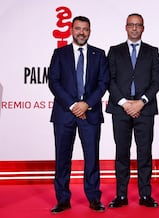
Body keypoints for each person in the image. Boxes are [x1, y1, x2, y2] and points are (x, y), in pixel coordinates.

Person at [48, 16, 109, 213]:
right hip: (64, 114)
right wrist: (74, 105)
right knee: (62, 158)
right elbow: (54, 82)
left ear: (89, 32)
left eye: (85, 29)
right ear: (71, 30)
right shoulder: (60, 53)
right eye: (78, 29)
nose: (81, 32)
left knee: (92, 158)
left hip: (90, 114)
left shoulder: (99, 54)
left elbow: (103, 83)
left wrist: (86, 104)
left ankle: (93, 198)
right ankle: (63, 200)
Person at [106, 13, 159, 208]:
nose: (135, 28)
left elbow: (157, 81)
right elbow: (109, 80)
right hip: (120, 109)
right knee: (122, 153)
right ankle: (121, 195)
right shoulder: (114, 51)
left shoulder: (153, 51)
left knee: (144, 153)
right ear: (126, 27)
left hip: (145, 110)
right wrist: (124, 103)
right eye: (131, 25)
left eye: (138, 25)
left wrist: (141, 102)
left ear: (143, 28)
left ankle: (145, 195)